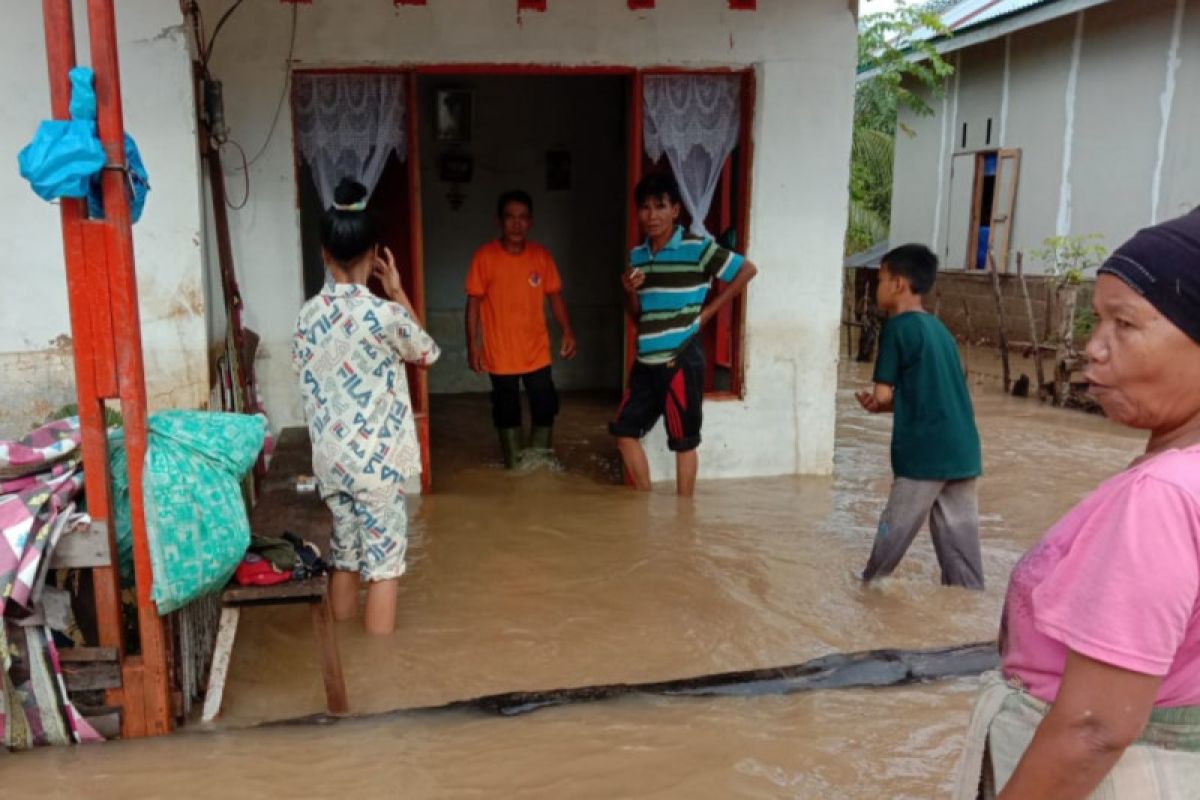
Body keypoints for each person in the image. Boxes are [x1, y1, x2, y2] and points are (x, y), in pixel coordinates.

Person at [952, 209, 1200, 798]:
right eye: (1096, 320)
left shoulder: (1161, 496)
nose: (1092, 348)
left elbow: (1093, 727)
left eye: (1125, 324)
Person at [292, 178, 439, 635]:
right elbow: (427, 353)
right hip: (376, 464)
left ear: (324, 253)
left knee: (345, 556)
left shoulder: (307, 316)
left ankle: (346, 653)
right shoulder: (385, 315)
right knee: (385, 567)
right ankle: (379, 671)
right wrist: (397, 292)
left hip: (332, 461)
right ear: (376, 255)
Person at [610, 172, 758, 497]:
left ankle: (684, 516)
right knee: (624, 433)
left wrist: (707, 313)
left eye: (660, 206)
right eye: (645, 208)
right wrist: (629, 291)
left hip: (681, 359)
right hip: (645, 361)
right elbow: (638, 315)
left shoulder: (698, 248)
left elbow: (746, 270)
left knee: (683, 441)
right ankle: (642, 506)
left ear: (676, 210)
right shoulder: (638, 257)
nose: (652, 215)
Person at [856, 243, 984, 589]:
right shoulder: (941, 331)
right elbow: (933, 389)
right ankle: (968, 620)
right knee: (963, 562)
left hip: (923, 453)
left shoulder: (897, 328)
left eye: (880, 279)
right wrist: (892, 403)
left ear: (898, 284)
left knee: (890, 539)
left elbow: (885, 394)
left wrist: (877, 403)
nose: (877, 287)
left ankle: (866, 593)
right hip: (963, 451)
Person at [465, 190, 576, 468]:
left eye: (523, 218)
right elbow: (473, 304)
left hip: (536, 351)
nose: (517, 224)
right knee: (506, 411)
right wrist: (473, 346)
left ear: (531, 222)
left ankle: (538, 465)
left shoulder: (541, 256)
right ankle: (514, 466)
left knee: (545, 405)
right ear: (499, 221)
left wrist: (568, 331)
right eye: (510, 217)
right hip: (500, 353)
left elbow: (555, 297)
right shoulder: (485, 257)